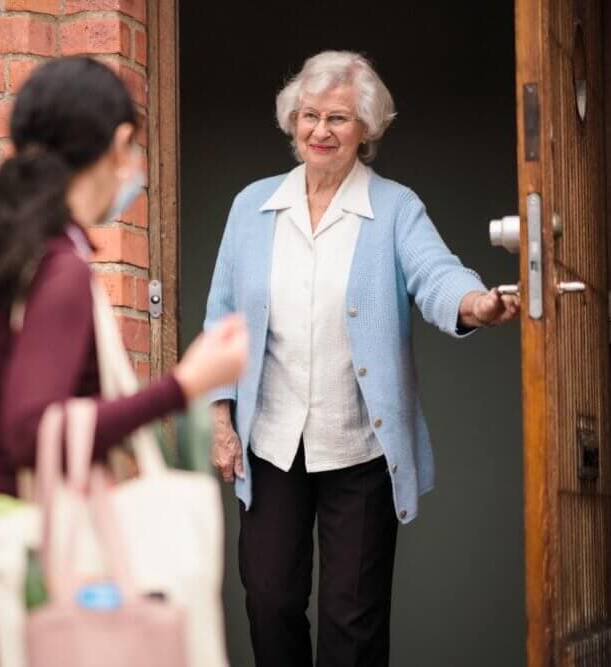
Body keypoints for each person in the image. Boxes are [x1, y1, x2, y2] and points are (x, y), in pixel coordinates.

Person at [203, 50, 520, 667]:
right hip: (271, 443)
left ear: (367, 129)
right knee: (269, 603)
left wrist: (475, 304)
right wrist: (221, 420)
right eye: (310, 116)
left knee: (354, 622)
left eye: (339, 119)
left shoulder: (395, 209)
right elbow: (222, 320)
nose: (321, 131)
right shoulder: (252, 208)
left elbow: (436, 276)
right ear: (292, 120)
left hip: (359, 448)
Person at [0, 56, 248, 666]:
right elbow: (32, 430)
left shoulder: (14, 249)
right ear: (119, 144)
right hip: (27, 594)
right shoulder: (60, 266)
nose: (134, 171)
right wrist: (186, 386)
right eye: (133, 152)